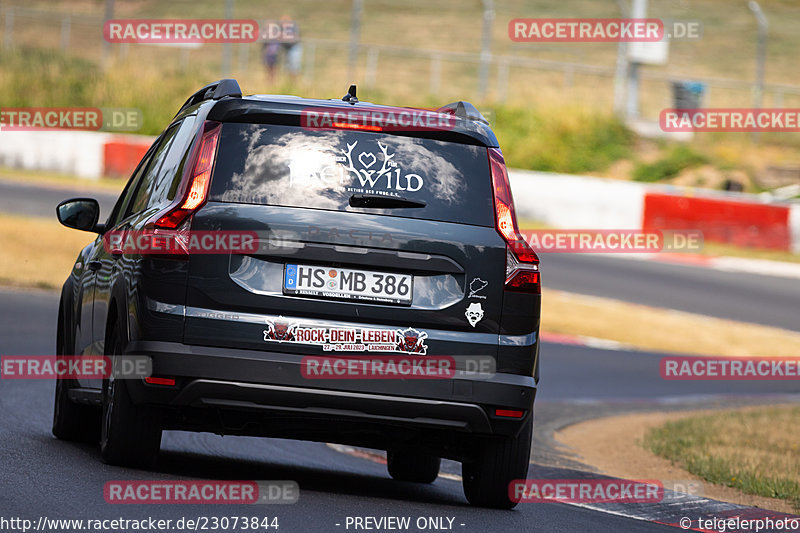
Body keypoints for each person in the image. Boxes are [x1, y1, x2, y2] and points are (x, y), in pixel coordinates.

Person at [261, 15, 302, 84]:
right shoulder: (278, 30)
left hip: (291, 49)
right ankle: (274, 83)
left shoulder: (293, 29)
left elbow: (295, 38)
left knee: (293, 68)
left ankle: (293, 83)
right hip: (282, 51)